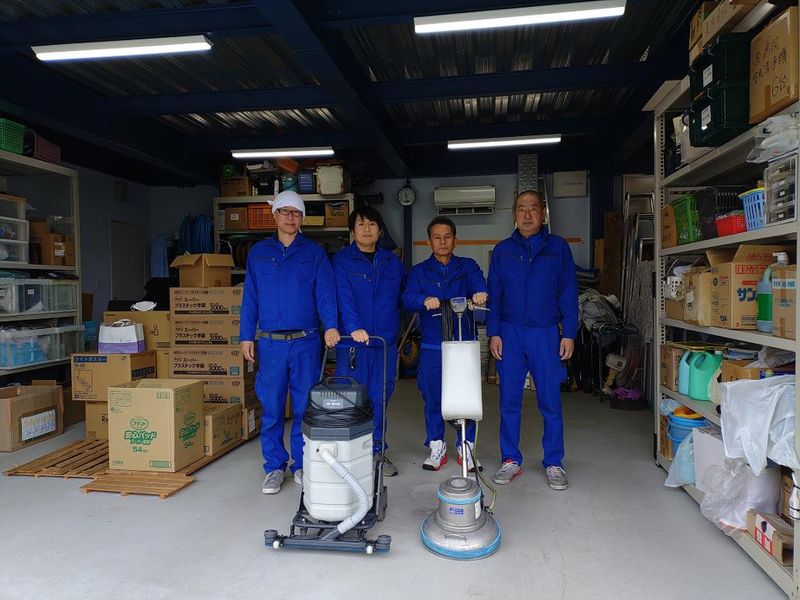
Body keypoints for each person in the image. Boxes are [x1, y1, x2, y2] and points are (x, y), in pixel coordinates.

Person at [240, 190, 340, 495]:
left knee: (304, 407)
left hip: (306, 341)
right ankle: (274, 467)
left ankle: (301, 464)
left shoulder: (314, 253)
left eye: (296, 212)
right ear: (275, 216)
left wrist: (330, 326)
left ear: (302, 218)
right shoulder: (259, 252)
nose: (290, 217)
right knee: (271, 408)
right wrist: (246, 336)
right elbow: (250, 297)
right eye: (284, 211)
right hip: (270, 344)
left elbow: (325, 293)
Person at [487, 190, 578, 490]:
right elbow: (494, 294)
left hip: (545, 333)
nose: (527, 215)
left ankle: (554, 461)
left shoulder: (558, 248)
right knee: (509, 400)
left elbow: (568, 292)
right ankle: (510, 458)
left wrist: (569, 333)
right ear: (513, 214)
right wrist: (493, 332)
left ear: (543, 213)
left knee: (550, 400)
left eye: (533, 208)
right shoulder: (502, 251)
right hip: (510, 333)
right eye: (521, 209)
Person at [403, 216, 488, 472]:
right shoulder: (419, 271)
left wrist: (480, 293)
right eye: (437, 237)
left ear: (455, 240)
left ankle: (466, 446)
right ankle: (436, 445)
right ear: (429, 241)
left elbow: (479, 284)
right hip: (433, 346)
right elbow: (407, 297)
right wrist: (422, 300)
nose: (442, 241)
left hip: (463, 346)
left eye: (447, 236)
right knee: (432, 396)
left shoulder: (467, 266)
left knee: (467, 397)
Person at [332, 205, 405, 476]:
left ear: (380, 230)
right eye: (361, 224)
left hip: (384, 345)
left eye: (372, 224)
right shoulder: (342, 261)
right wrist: (354, 328)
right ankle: (350, 455)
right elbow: (343, 298)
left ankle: (377, 452)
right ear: (352, 230)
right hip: (354, 345)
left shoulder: (392, 263)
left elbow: (403, 298)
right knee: (351, 400)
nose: (366, 229)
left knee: (380, 398)